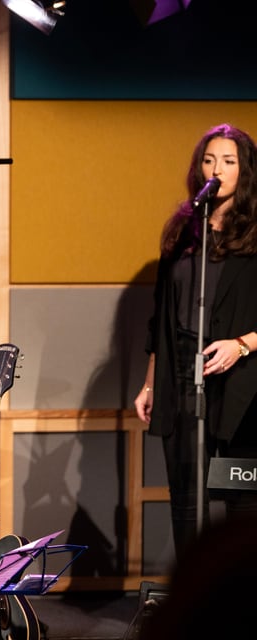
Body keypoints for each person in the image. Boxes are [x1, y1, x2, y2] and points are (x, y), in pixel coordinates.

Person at [134, 122, 257, 557]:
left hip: (242, 380)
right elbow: (159, 318)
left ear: (246, 170)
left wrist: (242, 343)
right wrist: (151, 382)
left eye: (228, 161)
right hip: (182, 373)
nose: (217, 170)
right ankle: (197, 600)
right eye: (209, 160)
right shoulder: (185, 230)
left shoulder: (256, 229)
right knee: (188, 498)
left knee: (243, 497)